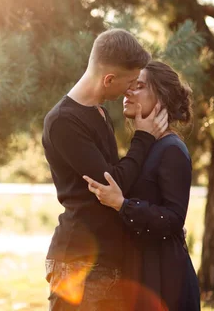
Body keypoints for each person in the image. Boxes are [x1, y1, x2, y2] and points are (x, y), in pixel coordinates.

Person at [42, 28, 169, 310]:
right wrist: (143, 136)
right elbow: (113, 183)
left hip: (106, 258)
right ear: (109, 79)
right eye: (130, 82)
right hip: (80, 263)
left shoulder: (98, 111)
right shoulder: (64, 122)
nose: (131, 90)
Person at [83, 60, 201, 310]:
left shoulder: (172, 150)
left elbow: (174, 218)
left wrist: (123, 205)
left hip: (164, 279)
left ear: (161, 96)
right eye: (129, 85)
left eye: (139, 86)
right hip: (139, 273)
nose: (128, 91)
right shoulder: (145, 147)